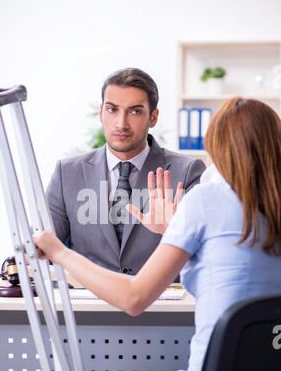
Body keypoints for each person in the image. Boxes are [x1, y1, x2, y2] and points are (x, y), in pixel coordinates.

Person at [35, 97, 281, 371]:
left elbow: (134, 299)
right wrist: (173, 231)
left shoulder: (207, 200)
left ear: (220, 149)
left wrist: (59, 252)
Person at [46, 68, 205, 276]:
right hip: (86, 303)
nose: (121, 123)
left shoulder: (188, 172)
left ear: (153, 117)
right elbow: (43, 247)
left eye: (135, 111)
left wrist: (173, 232)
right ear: (101, 112)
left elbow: (206, 255)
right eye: (112, 109)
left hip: (160, 303)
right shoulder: (66, 173)